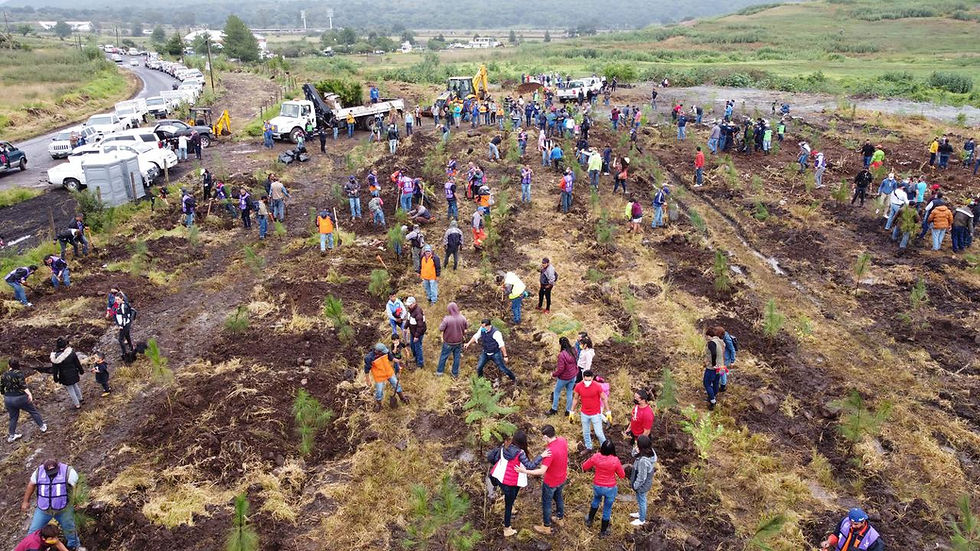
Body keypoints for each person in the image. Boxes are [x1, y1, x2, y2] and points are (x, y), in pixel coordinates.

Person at [486, 430, 544, 537]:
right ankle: (507, 528)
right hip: (511, 482)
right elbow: (530, 466)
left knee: (509, 498)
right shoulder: (520, 453)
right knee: (508, 504)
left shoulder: (505, 447)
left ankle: (510, 504)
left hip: (500, 477)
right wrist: (541, 456)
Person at [516, 425, 568, 535]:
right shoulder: (563, 440)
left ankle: (546, 526)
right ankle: (560, 518)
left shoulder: (549, 451)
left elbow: (541, 471)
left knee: (547, 503)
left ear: (545, 436)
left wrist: (525, 471)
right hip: (562, 478)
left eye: (542, 437)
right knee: (559, 498)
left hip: (550, 482)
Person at [22, 460, 83, 551]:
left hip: (63, 508)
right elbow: (31, 485)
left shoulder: (68, 471)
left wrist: (77, 501)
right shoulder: (38, 472)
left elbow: (77, 486)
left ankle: (74, 546)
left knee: (70, 530)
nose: (52, 474)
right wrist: (25, 501)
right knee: (33, 532)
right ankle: (33, 547)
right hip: (43, 509)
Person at [582, 439, 626, 538]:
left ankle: (589, 520)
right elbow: (622, 475)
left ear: (602, 448)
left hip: (598, 486)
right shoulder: (615, 460)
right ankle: (603, 532)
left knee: (596, 500)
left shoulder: (596, 456)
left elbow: (584, 467)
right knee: (607, 509)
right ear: (612, 450)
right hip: (610, 488)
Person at [2, 359, 47, 443]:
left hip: (8, 399)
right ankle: (42, 426)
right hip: (20, 398)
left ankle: (11, 436)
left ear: (9, 365)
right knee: (33, 411)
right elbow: (23, 385)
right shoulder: (19, 373)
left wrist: (6, 395)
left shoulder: (4, 374)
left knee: (13, 417)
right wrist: (29, 394)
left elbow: (1, 388)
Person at [571, 370, 608, 452]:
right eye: (586, 380)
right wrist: (572, 412)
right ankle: (589, 447)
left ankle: (605, 448)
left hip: (596, 413)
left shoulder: (597, 386)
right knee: (586, 432)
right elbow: (575, 398)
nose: (587, 382)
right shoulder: (579, 386)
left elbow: (604, 398)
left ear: (592, 378)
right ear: (583, 378)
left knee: (599, 433)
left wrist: (608, 411)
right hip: (584, 413)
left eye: (589, 380)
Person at [364, 343, 408, 411]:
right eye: (383, 352)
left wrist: (399, 362)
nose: (386, 352)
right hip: (379, 376)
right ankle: (379, 405)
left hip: (389, 372)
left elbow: (391, 358)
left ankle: (402, 398)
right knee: (379, 391)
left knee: (396, 384)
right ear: (377, 351)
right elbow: (366, 370)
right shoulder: (369, 358)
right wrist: (368, 380)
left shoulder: (385, 351)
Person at [819, 508, 884, 551]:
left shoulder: (874, 539)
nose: (852, 526)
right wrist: (829, 542)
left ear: (863, 522)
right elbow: (836, 535)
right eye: (851, 523)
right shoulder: (844, 521)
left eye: (856, 524)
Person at [629, 435, 658, 527]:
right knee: (640, 498)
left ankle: (642, 519)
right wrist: (635, 449)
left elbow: (642, 477)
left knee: (642, 500)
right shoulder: (649, 451)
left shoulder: (643, 461)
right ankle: (640, 513)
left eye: (637, 445)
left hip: (642, 485)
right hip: (642, 483)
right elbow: (633, 454)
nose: (636, 446)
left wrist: (635, 485)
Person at [50, 337, 84, 410]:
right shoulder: (71, 352)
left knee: (70, 389)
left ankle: (77, 405)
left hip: (64, 376)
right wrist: (81, 370)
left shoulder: (55, 357)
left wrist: (55, 378)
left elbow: (55, 370)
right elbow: (77, 363)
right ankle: (80, 398)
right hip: (73, 372)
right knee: (75, 385)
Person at [436, 302, 468, 378]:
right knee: (457, 358)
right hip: (458, 342)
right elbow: (466, 327)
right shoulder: (463, 318)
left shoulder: (447, 319)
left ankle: (439, 373)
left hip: (448, 342)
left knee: (443, 357)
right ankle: (455, 374)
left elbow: (441, 328)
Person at [548, 337, 578, 416]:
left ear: (560, 344)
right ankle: (568, 411)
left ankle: (554, 409)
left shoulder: (561, 355)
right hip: (573, 375)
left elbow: (561, 369)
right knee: (569, 392)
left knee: (557, 392)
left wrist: (553, 374)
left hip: (564, 378)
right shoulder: (574, 350)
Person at [106, 288, 136, 360]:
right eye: (116, 300)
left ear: (121, 298)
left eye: (118, 300)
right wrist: (110, 313)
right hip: (126, 323)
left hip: (124, 324)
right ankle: (131, 348)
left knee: (120, 339)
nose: (116, 301)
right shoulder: (118, 303)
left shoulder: (123, 306)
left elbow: (125, 317)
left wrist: (121, 325)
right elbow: (113, 310)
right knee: (127, 335)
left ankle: (124, 353)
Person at [704, 327, 726, 410]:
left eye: (706, 336)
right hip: (721, 367)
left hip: (712, 368)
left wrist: (713, 364)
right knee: (716, 382)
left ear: (709, 335)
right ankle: (712, 396)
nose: (706, 338)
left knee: (706, 383)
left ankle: (713, 401)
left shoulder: (711, 343)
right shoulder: (721, 341)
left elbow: (713, 353)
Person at [405, 296, 427, 369]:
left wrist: (416, 336)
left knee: (418, 347)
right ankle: (415, 358)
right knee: (412, 345)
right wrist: (405, 327)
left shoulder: (418, 313)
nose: (409, 306)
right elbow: (408, 320)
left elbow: (420, 326)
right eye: (408, 305)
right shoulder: (410, 311)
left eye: (410, 305)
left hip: (418, 333)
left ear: (414, 303)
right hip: (413, 331)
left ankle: (420, 364)